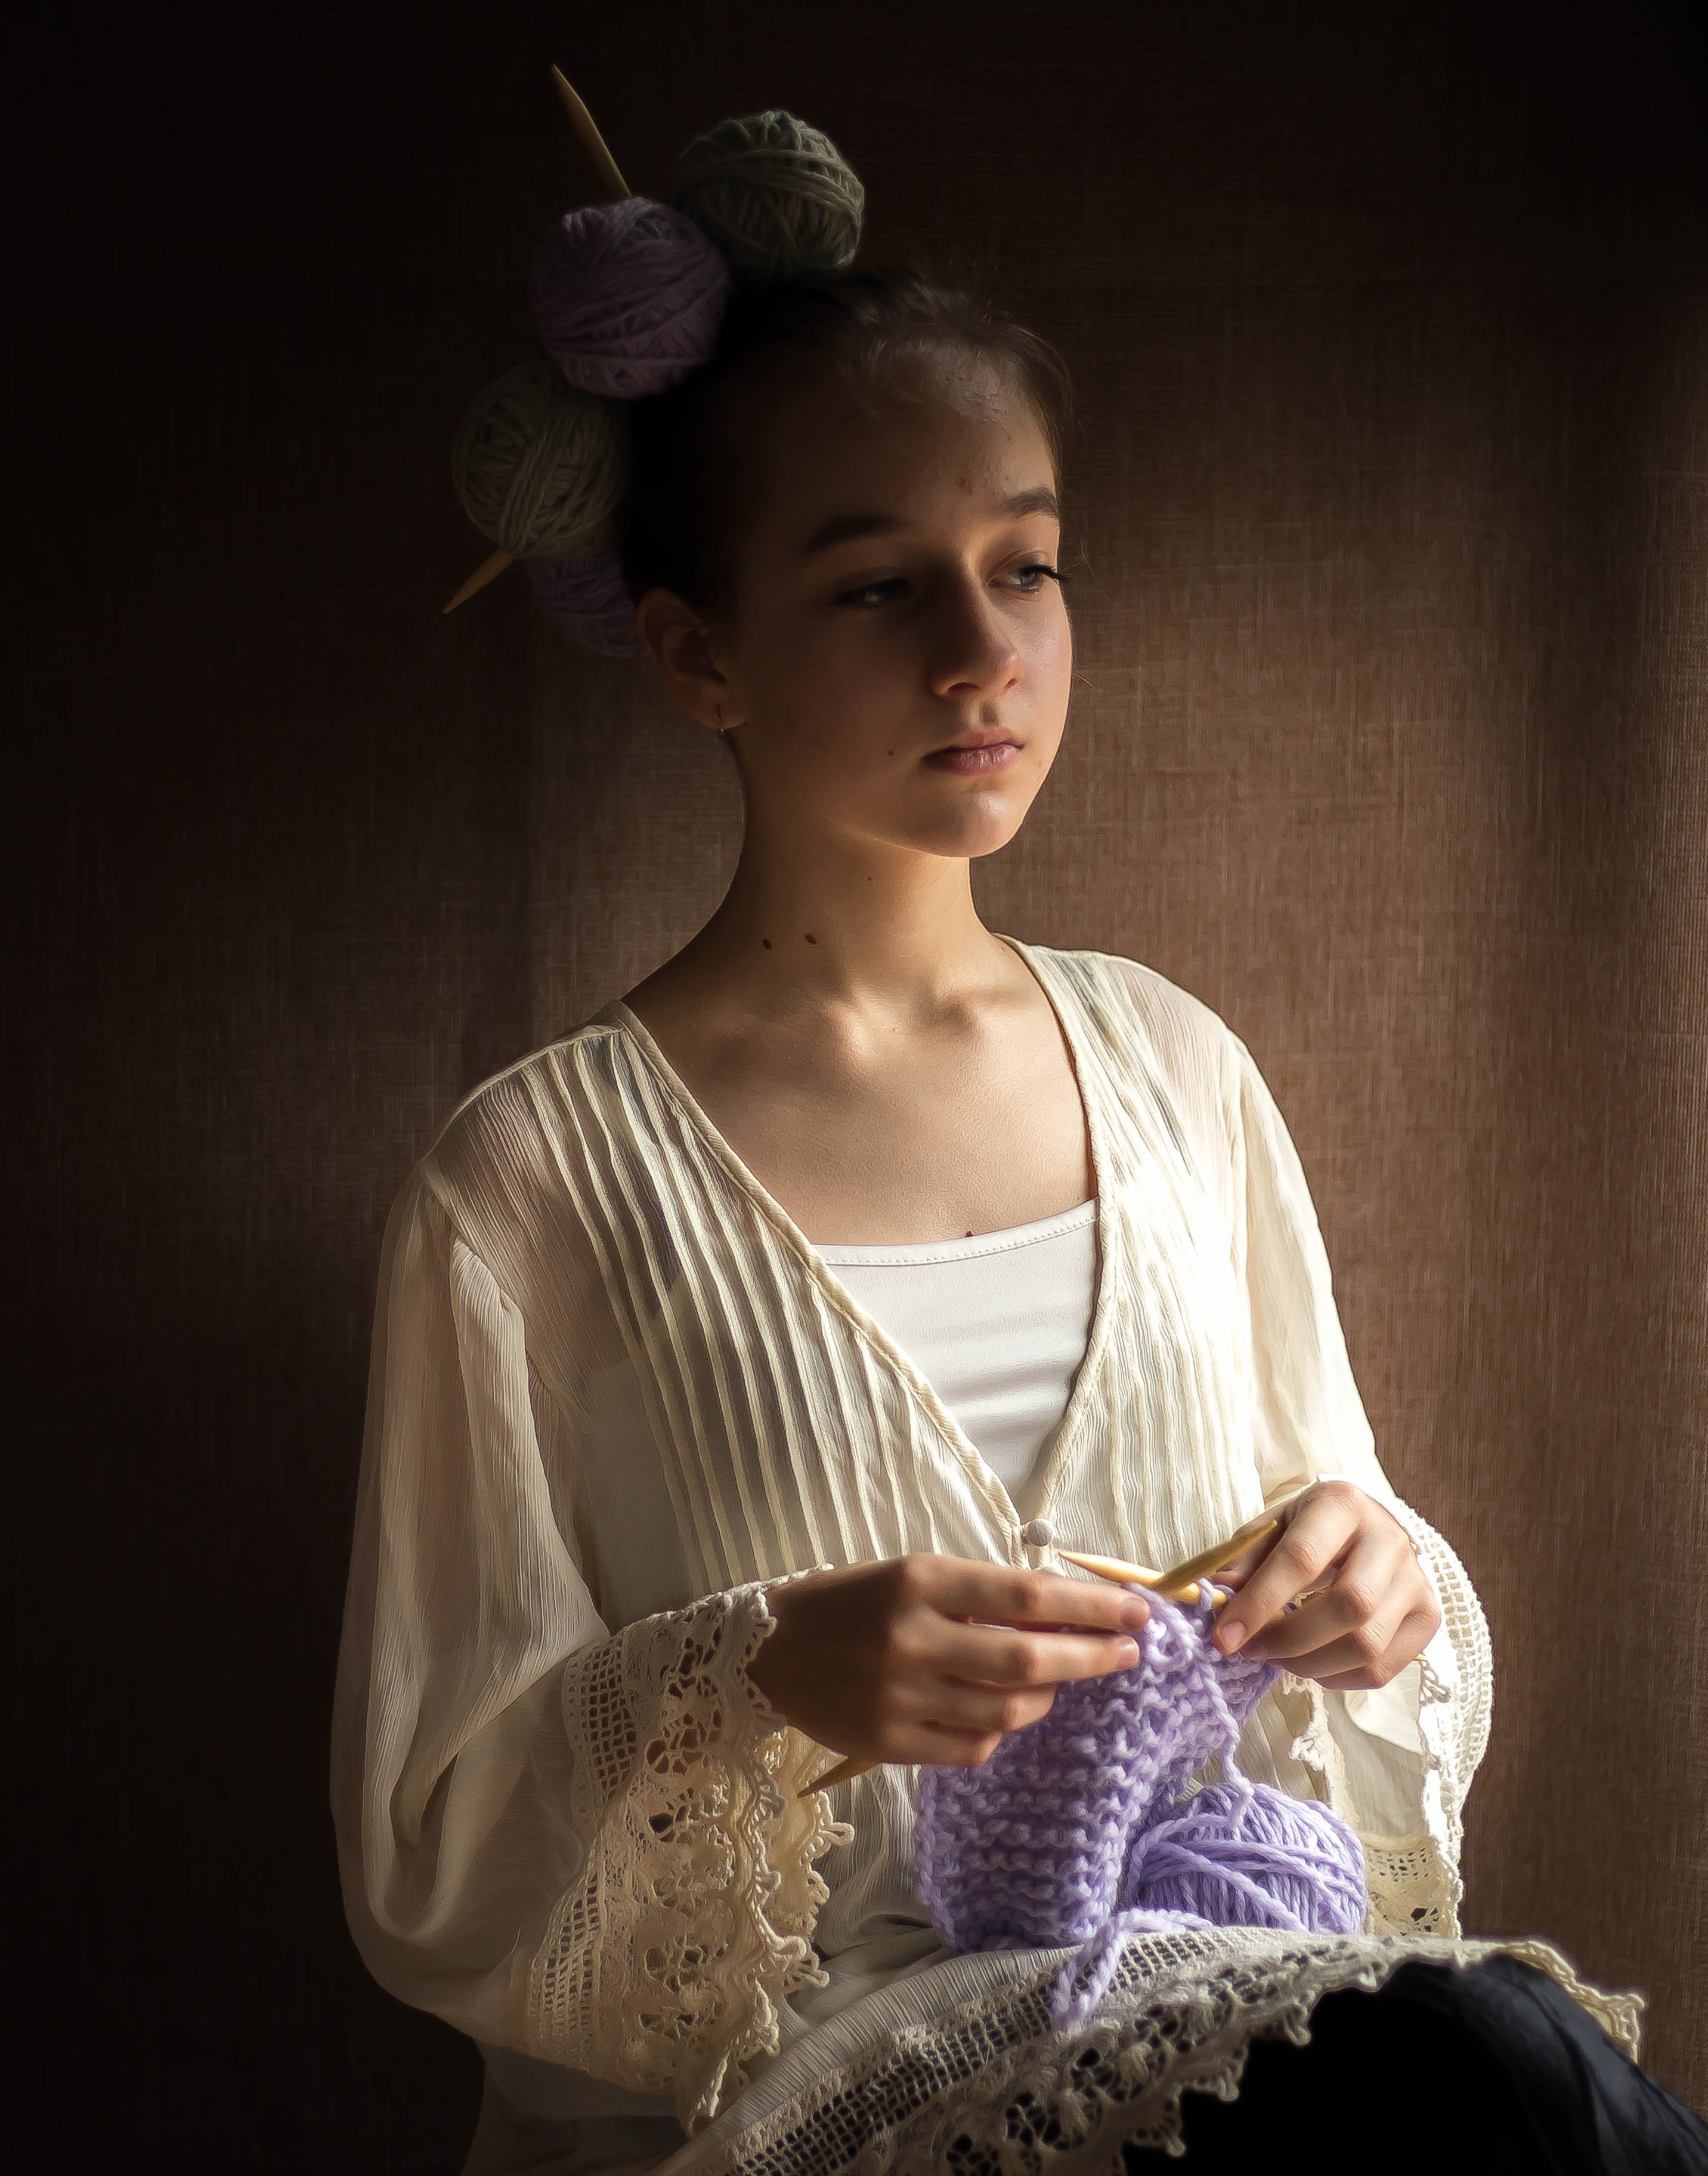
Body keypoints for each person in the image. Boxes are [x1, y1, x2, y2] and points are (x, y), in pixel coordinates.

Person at [332, 266, 1708, 2174]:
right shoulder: (532, 1185)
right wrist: (767, 1681)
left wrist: (1375, 1585)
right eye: (878, 587)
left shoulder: (1177, 1071)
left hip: (1255, 2014)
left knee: (1490, 2069)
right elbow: (438, 1850)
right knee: (1501, 2073)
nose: (983, 652)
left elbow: (1340, 1580)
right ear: (698, 655)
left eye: (1029, 567)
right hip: (829, 2093)